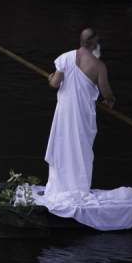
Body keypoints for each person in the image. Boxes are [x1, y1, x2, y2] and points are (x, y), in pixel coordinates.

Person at [44, 28, 115, 196]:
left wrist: (50, 79)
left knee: (63, 143)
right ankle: (78, 187)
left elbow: (54, 84)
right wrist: (111, 100)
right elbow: (106, 93)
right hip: (82, 113)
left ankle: (60, 186)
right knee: (81, 148)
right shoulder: (98, 66)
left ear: (81, 41)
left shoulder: (65, 58)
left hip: (64, 112)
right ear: (94, 43)